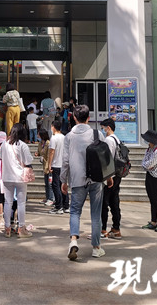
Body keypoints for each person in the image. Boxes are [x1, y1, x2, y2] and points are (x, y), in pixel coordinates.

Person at [61, 105, 112, 260]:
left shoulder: (69, 137)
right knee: (96, 214)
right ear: (88, 118)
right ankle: (96, 248)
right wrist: (109, 176)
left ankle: (73, 240)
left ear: (74, 118)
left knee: (75, 211)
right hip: (96, 179)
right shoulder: (97, 134)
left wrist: (63, 180)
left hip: (77, 179)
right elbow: (105, 157)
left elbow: (65, 161)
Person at [0, 123, 33, 238]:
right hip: (20, 177)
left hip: (7, 177)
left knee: (8, 202)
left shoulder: (4, 144)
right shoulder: (23, 145)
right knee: (21, 203)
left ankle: (7, 228)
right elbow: (28, 161)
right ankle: (21, 228)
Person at [140, 130, 157, 232]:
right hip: (149, 176)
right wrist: (147, 166)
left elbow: (149, 164)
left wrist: (147, 165)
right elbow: (144, 163)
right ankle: (153, 221)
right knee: (152, 200)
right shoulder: (149, 150)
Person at [100, 118, 122, 240]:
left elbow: (107, 159)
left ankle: (103, 229)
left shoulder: (108, 140)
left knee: (104, 203)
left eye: (103, 128)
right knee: (114, 202)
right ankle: (116, 228)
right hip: (117, 175)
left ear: (108, 127)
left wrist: (107, 177)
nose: (103, 130)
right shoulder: (117, 139)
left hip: (110, 176)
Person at [48, 120, 69, 214]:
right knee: (63, 184)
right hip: (63, 164)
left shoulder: (54, 138)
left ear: (53, 127)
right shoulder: (64, 137)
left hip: (56, 164)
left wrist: (49, 164)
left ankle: (58, 206)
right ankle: (66, 205)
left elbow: (52, 151)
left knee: (56, 186)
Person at [35, 128, 54, 206]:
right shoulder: (40, 144)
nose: (37, 135)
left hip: (48, 166)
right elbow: (39, 152)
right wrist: (37, 154)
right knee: (46, 183)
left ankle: (51, 199)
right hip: (44, 165)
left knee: (50, 184)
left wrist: (49, 166)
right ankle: (47, 197)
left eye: (38, 134)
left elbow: (49, 156)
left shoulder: (48, 143)